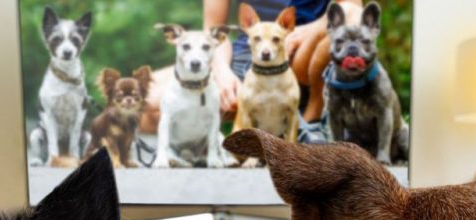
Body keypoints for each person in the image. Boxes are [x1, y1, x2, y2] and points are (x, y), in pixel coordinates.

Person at [141, 0, 363, 140]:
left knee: (350, 14)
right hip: (247, 54)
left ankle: (312, 122)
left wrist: (312, 29)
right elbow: (215, 29)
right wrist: (221, 72)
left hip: (301, 55)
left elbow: (352, 8)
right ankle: (246, 121)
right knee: (144, 102)